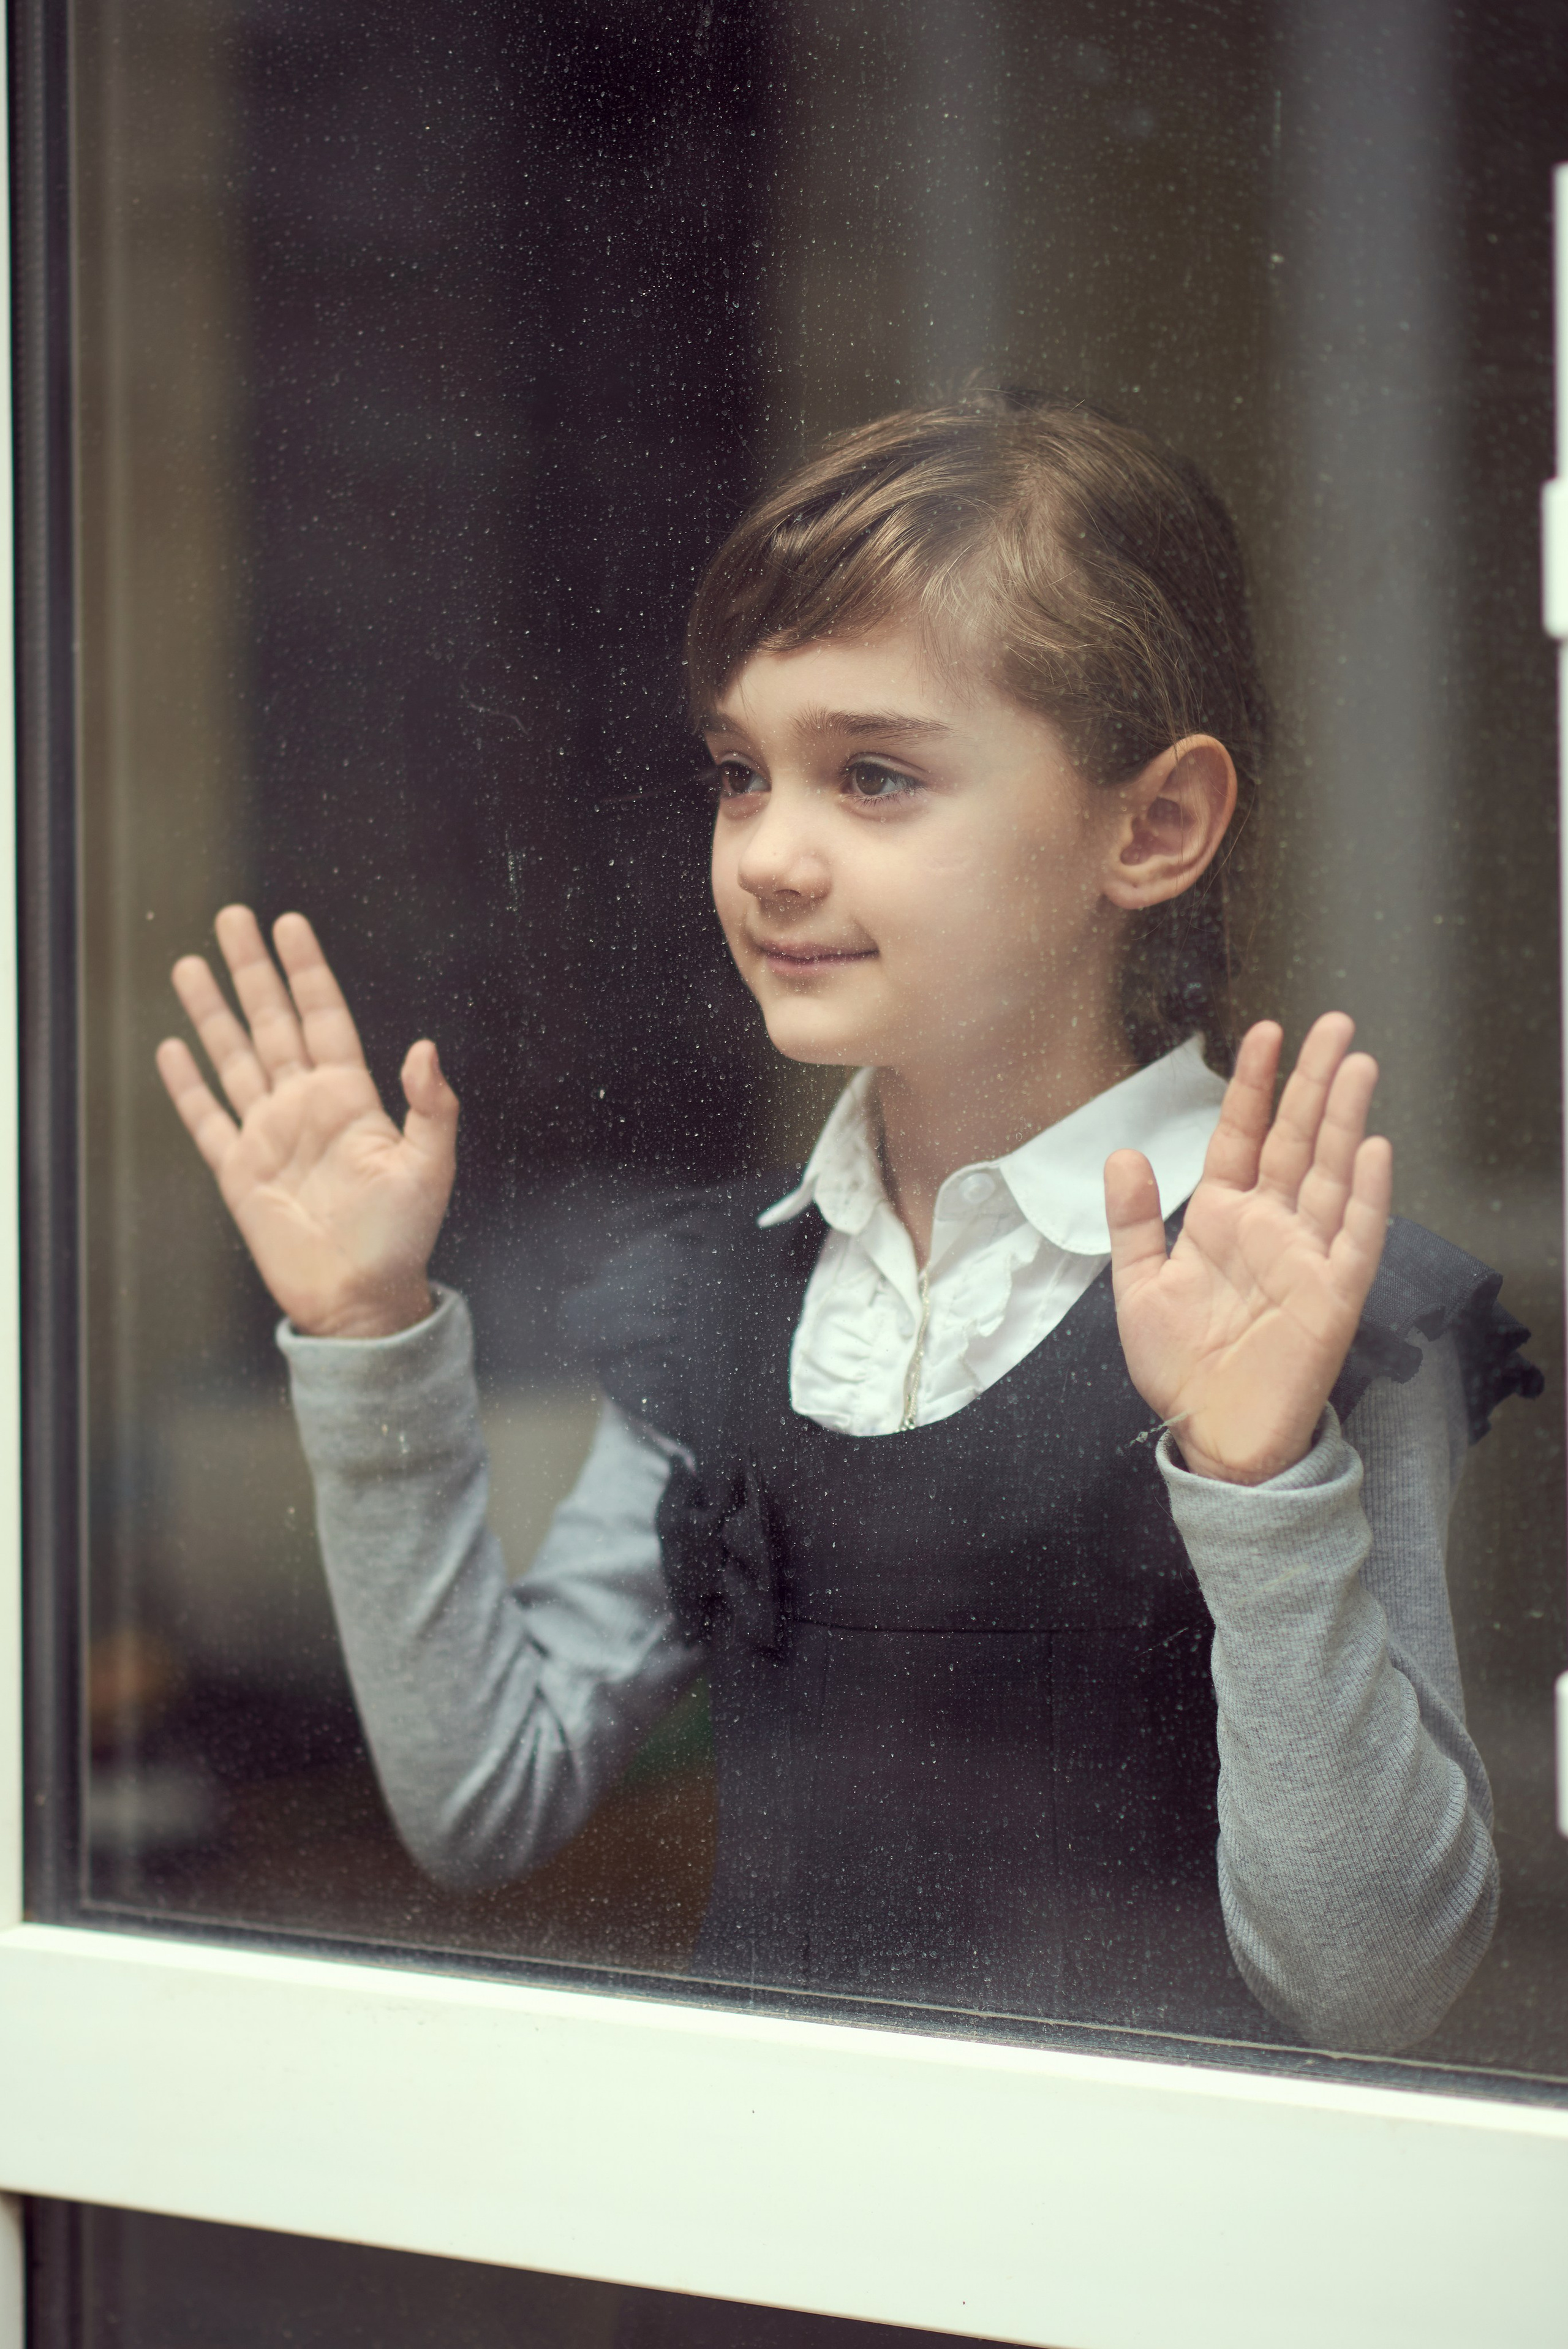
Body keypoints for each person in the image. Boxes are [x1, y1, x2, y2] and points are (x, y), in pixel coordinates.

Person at [156, 392, 1539, 2053]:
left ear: (1154, 824)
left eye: (873, 775)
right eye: (742, 775)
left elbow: (1375, 1982)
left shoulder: (1317, 1298)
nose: (771, 857)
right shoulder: (723, 1300)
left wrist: (1259, 1482)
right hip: (762, 2263)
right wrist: (370, 1336)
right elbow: (488, 1798)